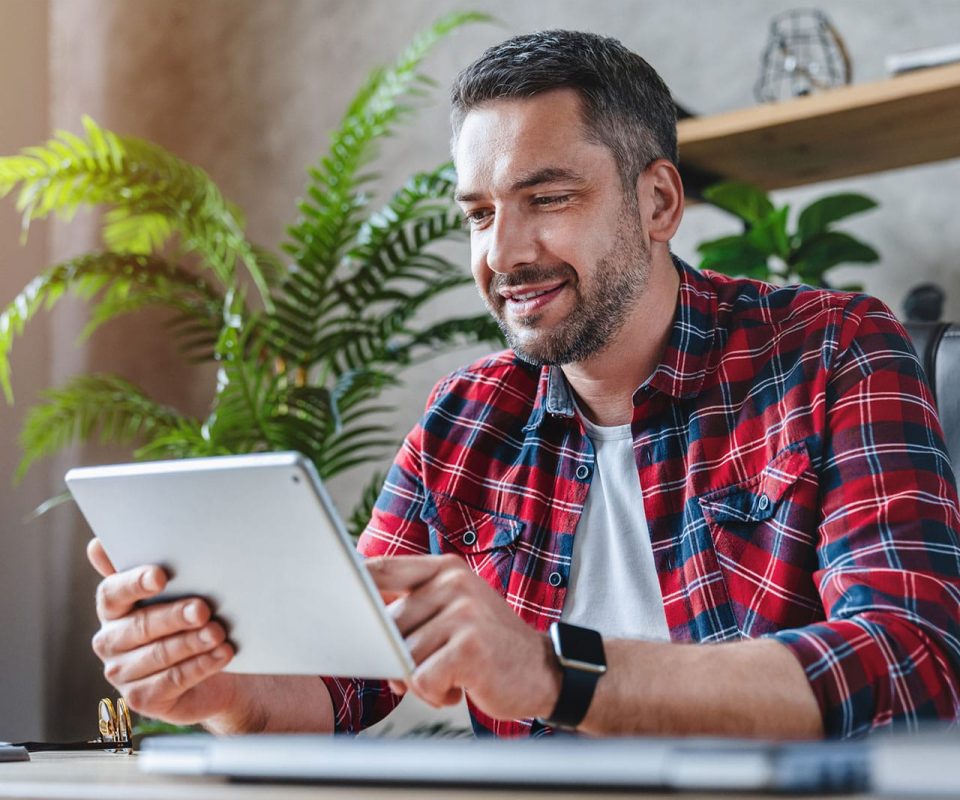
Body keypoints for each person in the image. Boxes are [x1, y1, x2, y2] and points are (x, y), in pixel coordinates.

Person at [87, 30, 960, 740]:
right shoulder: (465, 419)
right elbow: (352, 679)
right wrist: (222, 692)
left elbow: (910, 662)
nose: (502, 255)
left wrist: (553, 672)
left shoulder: (834, 351)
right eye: (478, 213)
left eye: (547, 198)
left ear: (658, 202)